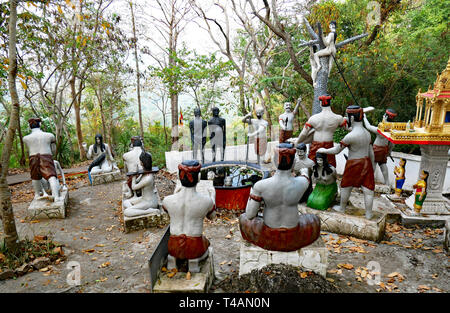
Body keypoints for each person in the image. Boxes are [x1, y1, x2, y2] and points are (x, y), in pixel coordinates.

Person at [239, 143, 321, 251]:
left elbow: (250, 215)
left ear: (274, 161)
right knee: (315, 219)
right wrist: (304, 170)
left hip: (269, 235)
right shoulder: (303, 182)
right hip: (294, 235)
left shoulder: (260, 186)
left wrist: (253, 190)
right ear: (294, 162)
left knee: (243, 218)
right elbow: (305, 174)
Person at [317, 105, 375, 219]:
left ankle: (342, 208)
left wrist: (323, 150)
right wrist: (372, 166)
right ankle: (369, 213)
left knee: (346, 185)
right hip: (366, 162)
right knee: (368, 189)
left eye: (347, 117)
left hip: (354, 163)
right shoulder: (367, 133)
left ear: (352, 119)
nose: (346, 119)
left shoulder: (350, 136)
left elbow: (337, 150)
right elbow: (371, 152)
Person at [162, 160, 216, 273]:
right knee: (206, 242)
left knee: (174, 249)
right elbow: (212, 217)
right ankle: (193, 263)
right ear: (199, 177)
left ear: (178, 177)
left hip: (173, 246)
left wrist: (174, 194)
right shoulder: (207, 201)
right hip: (195, 246)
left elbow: (169, 213)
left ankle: (172, 260)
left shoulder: (167, 200)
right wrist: (213, 196)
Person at [291, 94, 347, 168]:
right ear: (330, 103)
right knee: (330, 167)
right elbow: (349, 128)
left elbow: (304, 133)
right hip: (329, 146)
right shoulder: (338, 118)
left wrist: (297, 142)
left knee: (312, 165)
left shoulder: (313, 118)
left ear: (320, 103)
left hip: (316, 145)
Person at [23, 117, 62, 202]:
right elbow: (54, 150)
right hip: (46, 156)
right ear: (40, 124)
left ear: (29, 126)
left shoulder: (25, 138)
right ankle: (56, 196)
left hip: (33, 157)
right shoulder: (50, 135)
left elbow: (27, 149)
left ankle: (37, 194)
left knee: (35, 177)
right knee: (51, 176)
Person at [364, 109, 397, 185]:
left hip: (377, 149)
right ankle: (387, 182)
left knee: (373, 165)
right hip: (384, 149)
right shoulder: (392, 129)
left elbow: (368, 126)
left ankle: (369, 182)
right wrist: (389, 151)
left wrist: (364, 117)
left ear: (385, 117)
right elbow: (392, 143)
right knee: (383, 165)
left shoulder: (381, 129)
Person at [122, 151, 160, 217]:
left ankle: (148, 211)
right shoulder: (145, 173)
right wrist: (136, 173)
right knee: (125, 202)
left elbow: (134, 187)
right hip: (143, 199)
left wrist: (134, 174)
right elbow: (137, 181)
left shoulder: (148, 178)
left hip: (150, 202)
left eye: (140, 161)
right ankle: (135, 210)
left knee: (127, 212)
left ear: (142, 163)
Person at [312, 21, 337, 86]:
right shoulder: (335, 33)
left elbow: (327, 43)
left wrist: (322, 37)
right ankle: (328, 74)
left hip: (329, 49)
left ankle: (319, 65)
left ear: (331, 25)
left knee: (315, 54)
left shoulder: (331, 34)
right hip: (334, 49)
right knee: (330, 63)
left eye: (330, 25)